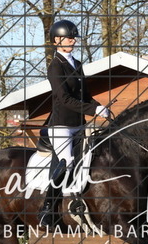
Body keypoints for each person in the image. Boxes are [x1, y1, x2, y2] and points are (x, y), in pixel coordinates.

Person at [38, 19, 109, 228]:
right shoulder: (55, 66)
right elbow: (64, 99)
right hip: (61, 126)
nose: (73, 40)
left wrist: (100, 107)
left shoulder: (77, 64)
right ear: (56, 40)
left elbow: (85, 96)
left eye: (73, 37)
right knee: (66, 161)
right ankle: (48, 208)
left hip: (79, 124)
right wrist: (92, 110)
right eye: (69, 37)